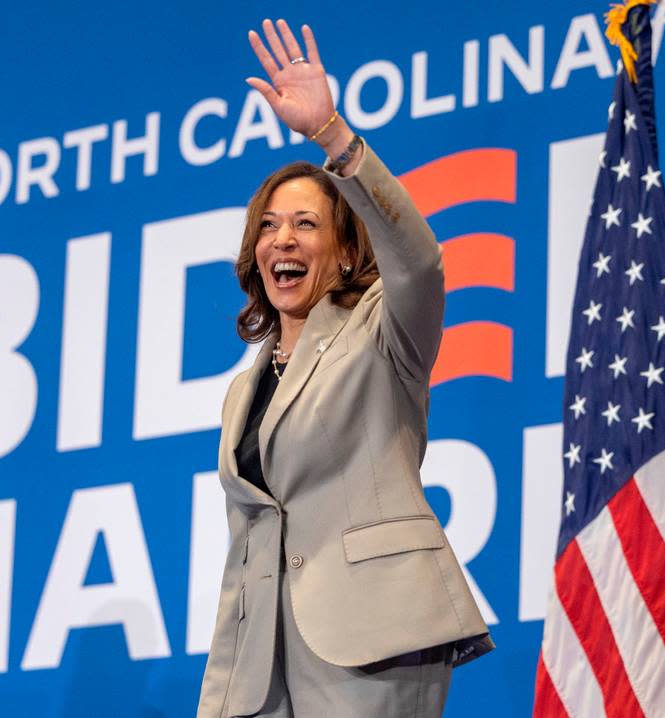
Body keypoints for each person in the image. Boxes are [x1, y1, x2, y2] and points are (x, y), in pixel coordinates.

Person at [197, 19, 494, 718]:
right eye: (268, 226)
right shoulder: (245, 390)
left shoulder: (384, 333)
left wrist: (333, 135)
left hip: (373, 642)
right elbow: (248, 557)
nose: (283, 239)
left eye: (304, 224)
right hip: (265, 671)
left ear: (342, 248)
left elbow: (419, 258)